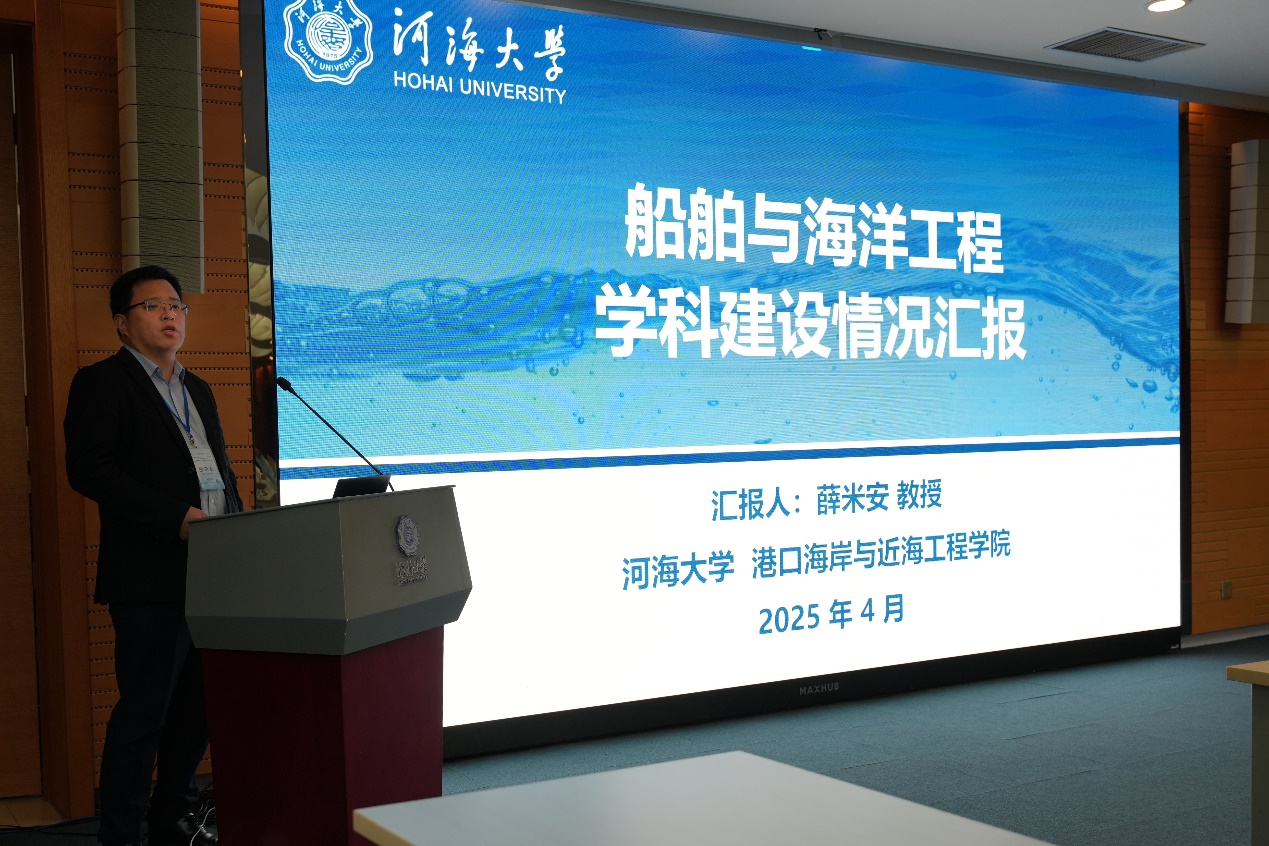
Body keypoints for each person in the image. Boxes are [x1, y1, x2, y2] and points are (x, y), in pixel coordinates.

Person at [65, 266, 242, 846]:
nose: (170, 314)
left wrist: (240, 530)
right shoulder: (101, 383)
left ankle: (173, 819)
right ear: (122, 323)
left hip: (214, 569)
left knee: (199, 709)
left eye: (176, 305)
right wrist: (174, 518)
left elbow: (218, 471)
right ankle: (121, 833)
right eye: (153, 306)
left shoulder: (198, 388)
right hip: (150, 575)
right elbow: (90, 470)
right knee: (145, 713)